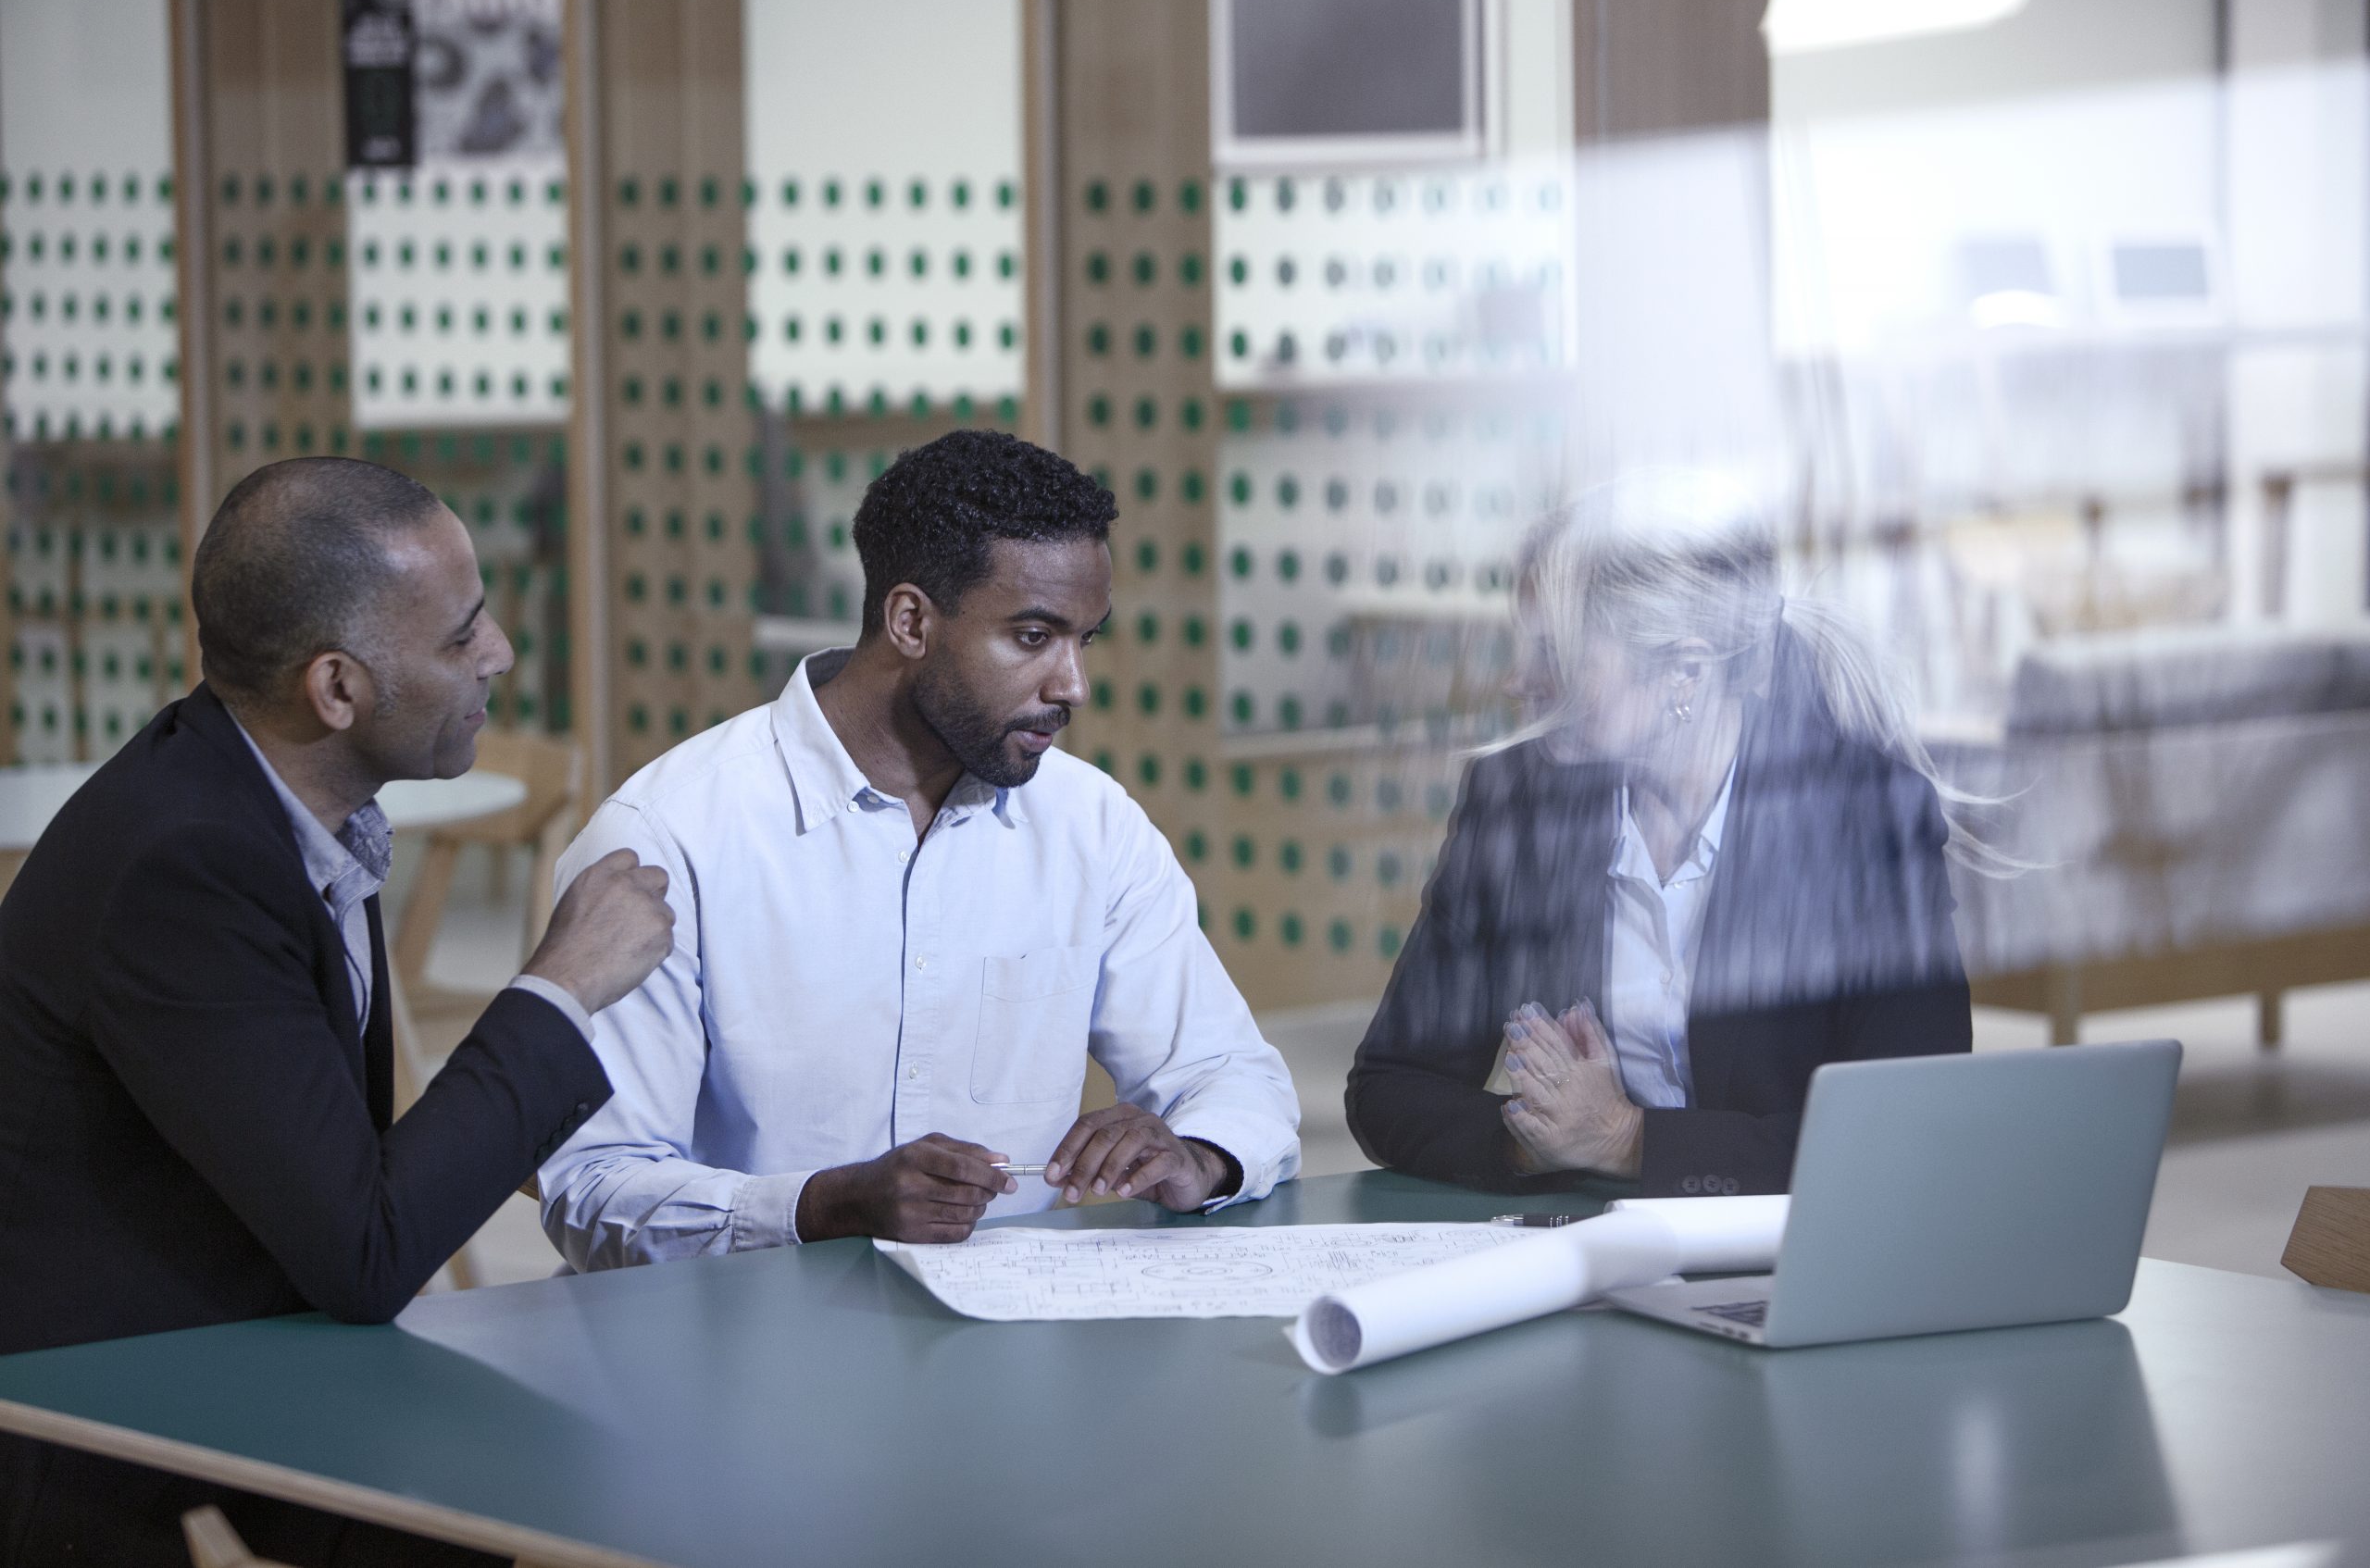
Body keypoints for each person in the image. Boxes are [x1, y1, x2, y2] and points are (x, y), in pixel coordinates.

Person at [0, 457, 674, 1566]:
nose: (500, 651)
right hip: (82, 1410)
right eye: (460, 636)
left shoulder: (285, 804)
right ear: (338, 690)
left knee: (562, 1475)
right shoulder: (186, 862)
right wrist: (559, 986)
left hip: (254, 1333)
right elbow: (366, 1248)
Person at [540, 429, 1300, 1268]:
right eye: (1034, 636)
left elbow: (1236, 1077)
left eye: (1086, 639)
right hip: (750, 1352)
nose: (1072, 685)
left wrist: (1198, 1153)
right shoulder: (670, 838)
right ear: (911, 622)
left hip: (1010, 1352)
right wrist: (818, 1205)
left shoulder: (1094, 827)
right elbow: (591, 1186)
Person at [1345, 470, 1978, 1197]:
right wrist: (1536, 1141)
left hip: (1801, 1270)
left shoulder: (1865, 816)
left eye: (1555, 651)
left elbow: (1903, 1133)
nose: (1518, 682)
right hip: (1592, 1263)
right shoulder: (1516, 802)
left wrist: (1626, 1139)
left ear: (1684, 670)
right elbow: (1389, 1086)